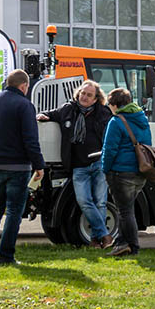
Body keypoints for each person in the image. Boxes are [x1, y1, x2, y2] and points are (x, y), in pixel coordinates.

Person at [0, 70, 45, 265]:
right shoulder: (25, 106)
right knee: (14, 212)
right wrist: (39, 165)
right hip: (19, 166)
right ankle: (6, 256)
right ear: (24, 86)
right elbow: (31, 140)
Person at [38, 80, 113, 248]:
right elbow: (48, 114)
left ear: (95, 99)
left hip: (98, 163)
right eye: (83, 93)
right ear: (78, 94)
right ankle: (105, 235)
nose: (84, 97)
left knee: (100, 202)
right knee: (84, 201)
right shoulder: (67, 109)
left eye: (89, 95)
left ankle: (95, 239)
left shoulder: (104, 113)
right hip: (79, 167)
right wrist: (42, 116)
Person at [101, 87, 151, 257]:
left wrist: (104, 169)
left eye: (109, 105)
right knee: (127, 209)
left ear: (115, 105)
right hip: (140, 171)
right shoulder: (141, 118)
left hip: (121, 173)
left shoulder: (116, 122)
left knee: (125, 211)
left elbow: (109, 150)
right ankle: (122, 243)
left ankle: (133, 246)